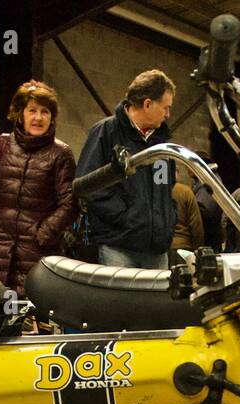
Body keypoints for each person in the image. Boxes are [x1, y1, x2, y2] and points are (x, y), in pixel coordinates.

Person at [0, 80, 76, 295]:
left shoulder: (62, 153)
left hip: (39, 253)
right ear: (20, 114)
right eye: (32, 110)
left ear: (52, 117)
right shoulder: (2, 144)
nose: (38, 117)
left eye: (45, 111)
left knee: (35, 320)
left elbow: (70, 203)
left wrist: (43, 235)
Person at [76, 69, 176, 268]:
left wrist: (167, 219)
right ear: (148, 104)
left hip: (157, 251)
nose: (168, 114)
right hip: (118, 248)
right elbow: (89, 186)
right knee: (118, 300)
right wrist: (127, 217)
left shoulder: (161, 144)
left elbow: (166, 186)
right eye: (165, 108)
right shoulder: (105, 132)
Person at [170, 180, 204, 264]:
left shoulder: (154, 193)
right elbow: (196, 225)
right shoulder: (185, 191)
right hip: (184, 248)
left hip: (161, 250)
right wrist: (198, 249)